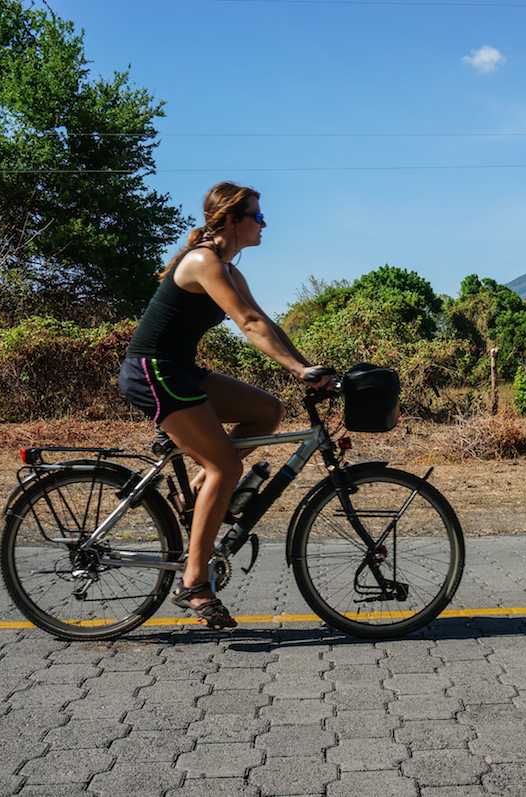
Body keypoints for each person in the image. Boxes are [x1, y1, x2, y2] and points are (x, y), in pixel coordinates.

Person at [118, 181, 333, 628]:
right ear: (232, 220)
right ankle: (194, 583)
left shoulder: (231, 271)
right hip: (153, 372)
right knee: (227, 469)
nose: (264, 223)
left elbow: (266, 321)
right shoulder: (202, 262)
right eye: (257, 215)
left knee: (267, 412)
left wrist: (309, 368)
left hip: (179, 370)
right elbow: (248, 323)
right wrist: (297, 370)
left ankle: (203, 484)